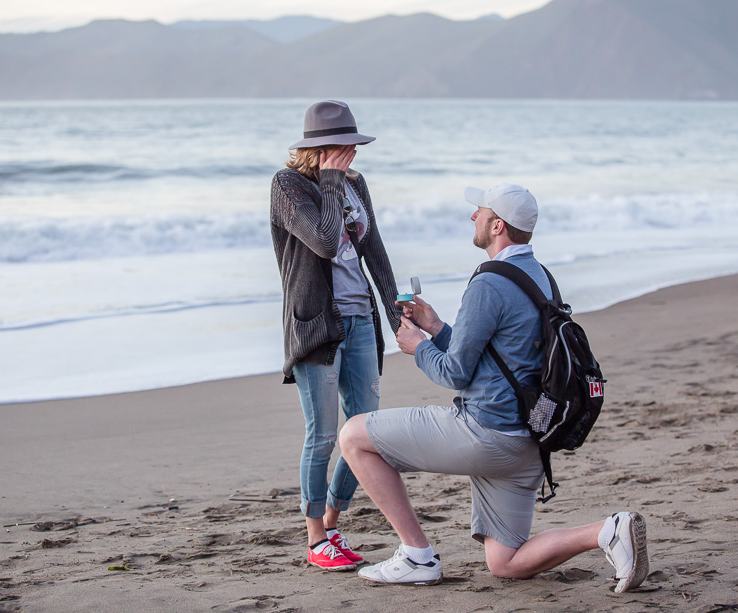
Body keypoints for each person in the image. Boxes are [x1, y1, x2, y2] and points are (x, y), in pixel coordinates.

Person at [339, 184, 650, 590]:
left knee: (353, 436)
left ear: (497, 225)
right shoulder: (540, 277)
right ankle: (608, 531)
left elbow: (454, 374)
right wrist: (436, 328)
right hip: (529, 443)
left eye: (480, 212)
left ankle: (416, 555)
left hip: (486, 436)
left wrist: (418, 348)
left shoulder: (488, 284)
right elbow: (499, 359)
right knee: (507, 562)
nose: (474, 217)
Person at [270, 100, 402, 571]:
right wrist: (328, 181)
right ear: (321, 148)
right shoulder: (288, 186)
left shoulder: (355, 183)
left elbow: (374, 249)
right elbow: (325, 241)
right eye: (344, 148)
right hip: (316, 326)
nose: (352, 155)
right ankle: (314, 538)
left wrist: (393, 311)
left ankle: (331, 518)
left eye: (354, 146)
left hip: (361, 319)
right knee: (323, 434)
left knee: (365, 430)